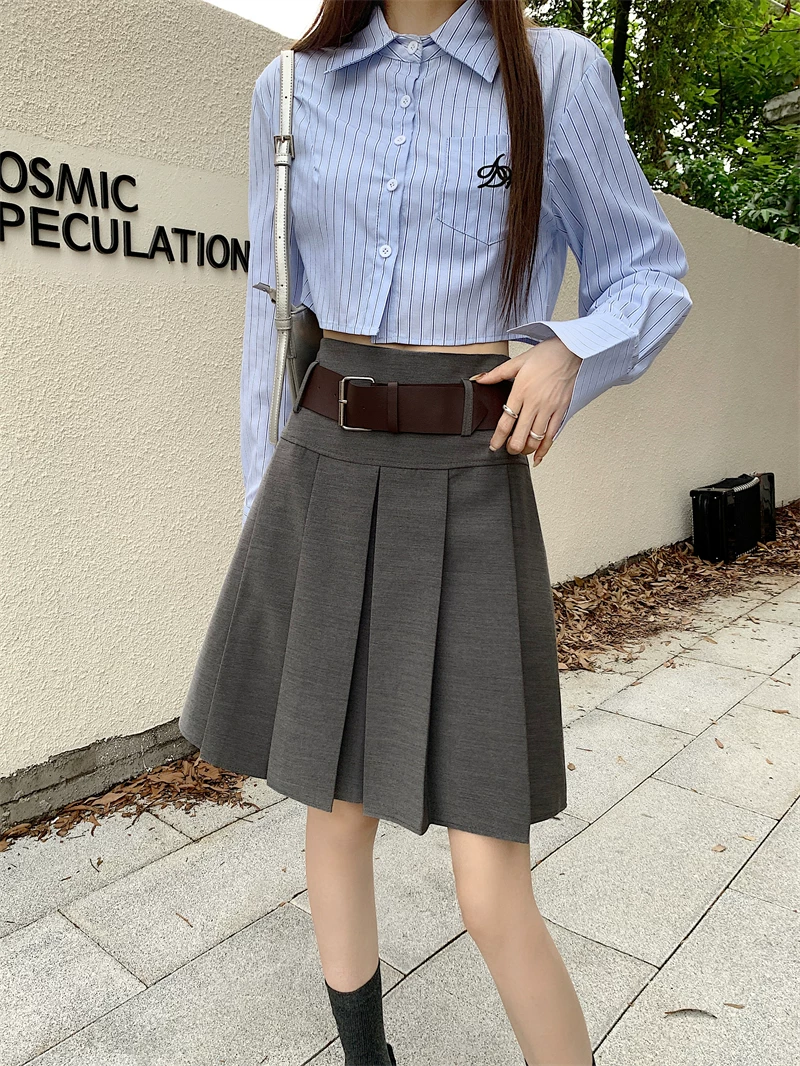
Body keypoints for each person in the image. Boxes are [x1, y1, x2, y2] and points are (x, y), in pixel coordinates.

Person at [178, 1, 693, 1063]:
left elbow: (647, 272)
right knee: (334, 810)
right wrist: (260, 504)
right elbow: (269, 312)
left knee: (490, 877)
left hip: (470, 477)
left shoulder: (555, 73)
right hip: (322, 471)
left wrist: (569, 351)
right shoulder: (289, 89)